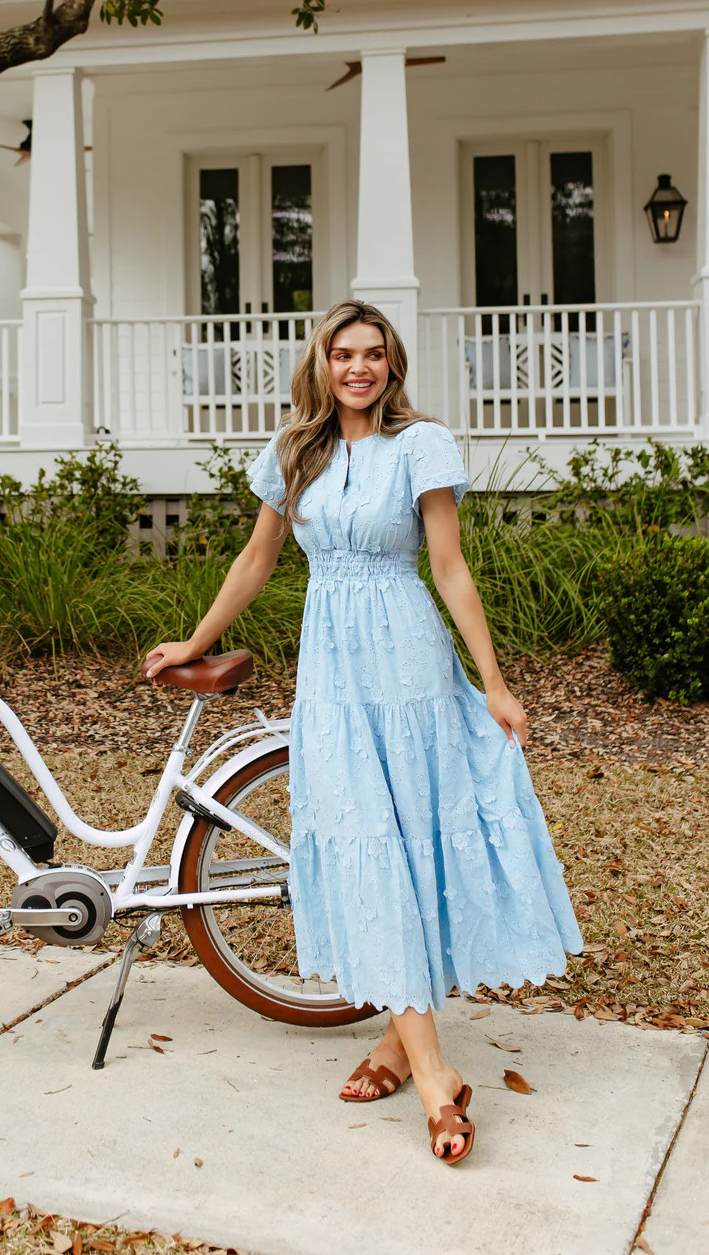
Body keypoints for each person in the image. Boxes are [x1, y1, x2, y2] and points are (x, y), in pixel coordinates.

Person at [144, 299, 582, 1165]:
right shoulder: (293, 452)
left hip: (411, 667)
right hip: (335, 674)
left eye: (374, 354)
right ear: (323, 363)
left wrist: (493, 682)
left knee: (416, 844)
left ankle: (417, 1067)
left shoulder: (420, 445)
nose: (359, 368)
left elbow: (449, 566)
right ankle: (424, 1066)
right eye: (344, 354)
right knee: (363, 844)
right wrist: (197, 639)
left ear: (392, 364)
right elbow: (258, 559)